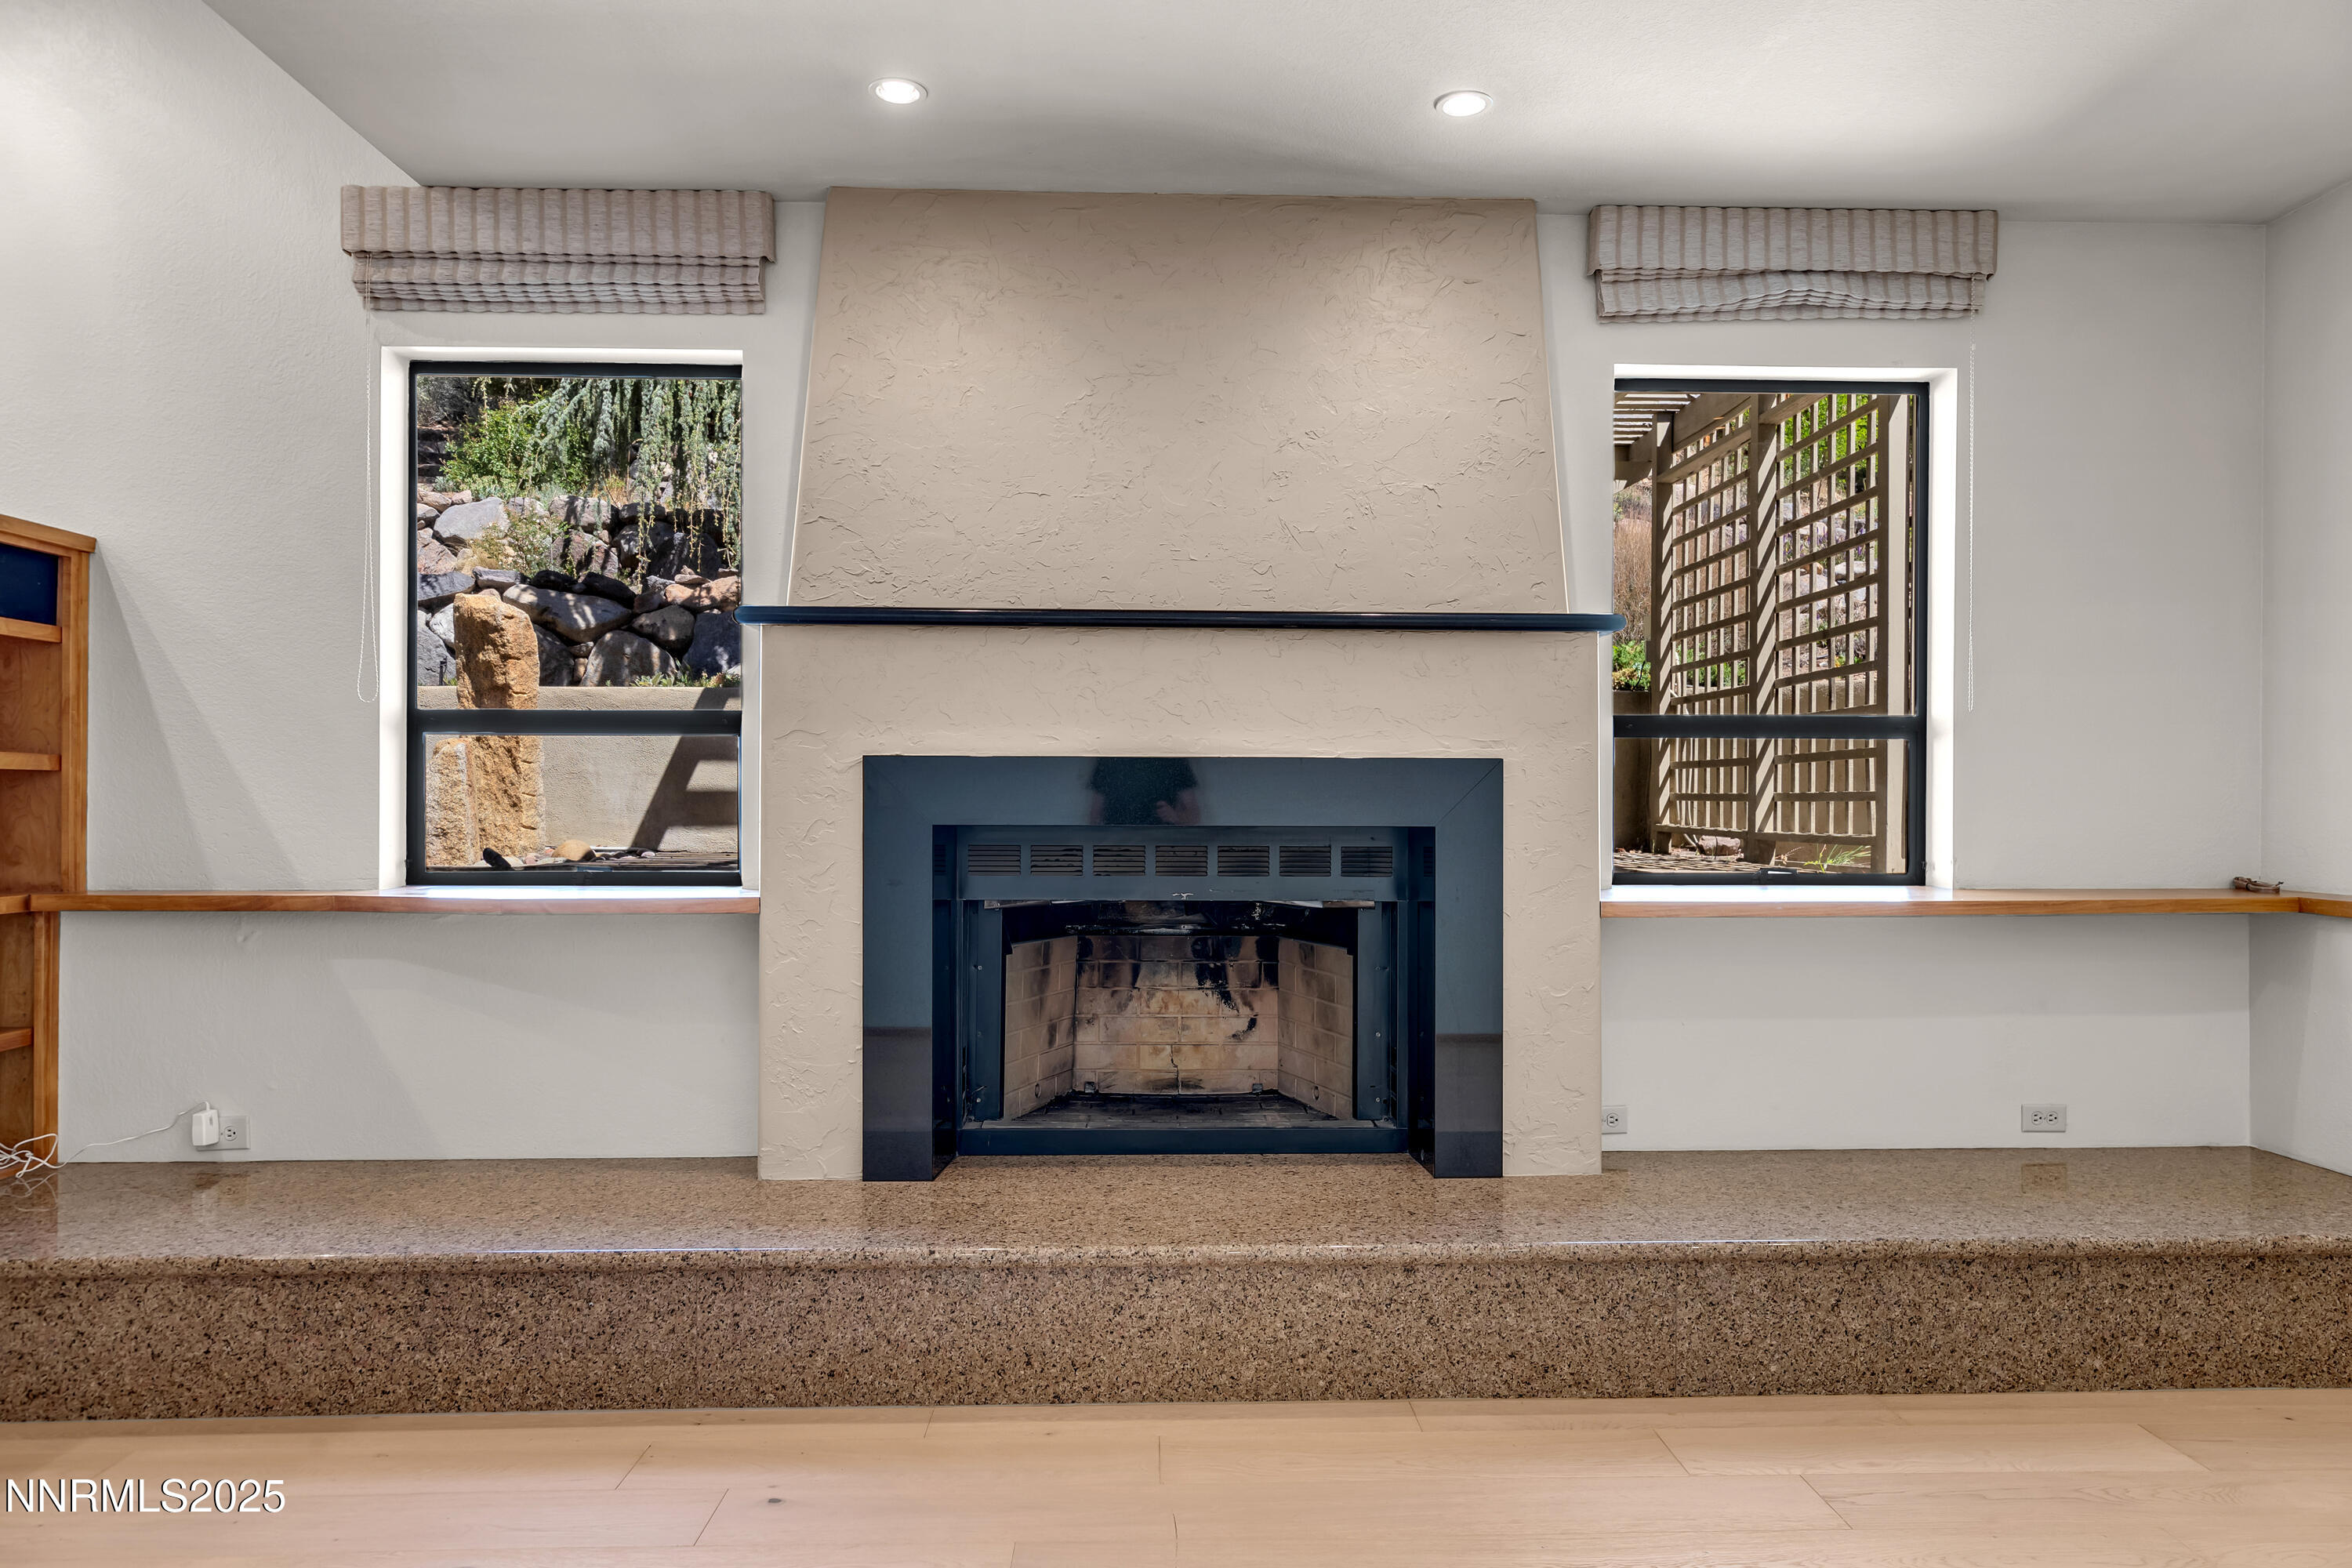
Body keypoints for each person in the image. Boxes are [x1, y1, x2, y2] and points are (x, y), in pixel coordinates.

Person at [1086, 757, 1200, 826]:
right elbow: (1096, 815)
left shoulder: (1173, 759)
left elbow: (1193, 813)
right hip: (1117, 848)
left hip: (1162, 847)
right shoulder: (1110, 758)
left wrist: (1176, 817)